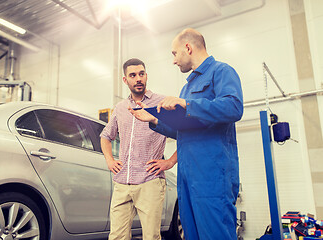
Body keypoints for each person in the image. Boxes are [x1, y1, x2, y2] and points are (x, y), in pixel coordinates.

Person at [129, 28, 243, 240]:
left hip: (212, 176)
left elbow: (234, 107)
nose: (173, 60)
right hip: (187, 176)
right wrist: (154, 120)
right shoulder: (187, 87)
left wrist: (187, 104)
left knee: (215, 235)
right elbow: (183, 131)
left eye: (174, 53)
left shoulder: (222, 71)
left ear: (188, 48)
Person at [100, 58, 172, 240]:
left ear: (146, 75)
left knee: (151, 237)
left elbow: (185, 133)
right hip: (122, 182)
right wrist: (109, 160)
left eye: (141, 74)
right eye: (133, 75)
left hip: (150, 181)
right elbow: (105, 136)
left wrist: (170, 162)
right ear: (126, 80)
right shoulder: (120, 107)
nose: (138, 78)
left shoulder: (161, 102)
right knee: (117, 237)